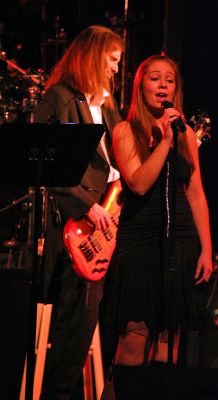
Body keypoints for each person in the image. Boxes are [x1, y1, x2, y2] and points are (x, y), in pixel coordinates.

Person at [101, 54, 213, 399]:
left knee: (169, 343)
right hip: (140, 241)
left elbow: (195, 194)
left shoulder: (186, 135)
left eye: (170, 80)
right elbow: (138, 183)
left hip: (180, 240)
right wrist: (164, 140)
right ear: (141, 86)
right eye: (155, 78)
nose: (163, 85)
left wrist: (207, 249)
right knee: (135, 341)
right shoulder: (125, 130)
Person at [33, 25, 123, 399]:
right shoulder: (58, 98)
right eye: (113, 60)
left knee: (103, 316)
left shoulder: (106, 104)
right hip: (77, 227)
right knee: (76, 321)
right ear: (94, 55)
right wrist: (88, 207)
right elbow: (44, 165)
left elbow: (119, 165)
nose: (118, 69)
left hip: (108, 224)